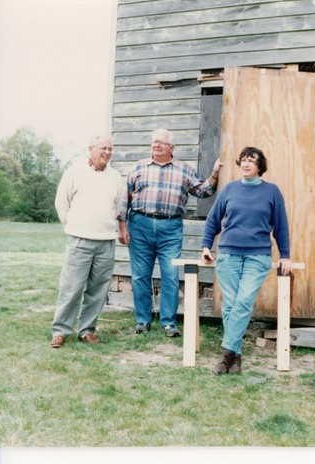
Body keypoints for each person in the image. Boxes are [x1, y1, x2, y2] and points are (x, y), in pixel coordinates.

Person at [118, 129, 221, 337]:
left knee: (171, 275)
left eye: (161, 143)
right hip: (140, 225)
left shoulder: (184, 170)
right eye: (154, 142)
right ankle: (142, 321)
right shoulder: (138, 167)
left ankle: (168, 322)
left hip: (170, 228)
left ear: (171, 148)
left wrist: (215, 174)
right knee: (140, 275)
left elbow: (203, 191)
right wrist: (122, 226)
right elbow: (124, 199)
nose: (156, 145)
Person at [201, 146, 291, 375]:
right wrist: (205, 246)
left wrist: (285, 256)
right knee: (230, 305)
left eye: (252, 160)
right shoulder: (230, 189)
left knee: (243, 302)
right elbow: (213, 220)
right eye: (243, 160)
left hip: (257, 256)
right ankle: (236, 357)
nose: (246, 164)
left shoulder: (272, 191)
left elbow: (281, 226)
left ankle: (226, 353)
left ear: (260, 166)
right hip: (229, 254)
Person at [50, 135, 124, 348]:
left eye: (110, 149)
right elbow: (61, 202)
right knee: (71, 288)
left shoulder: (115, 176)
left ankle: (87, 330)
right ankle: (61, 331)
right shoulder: (74, 172)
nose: (107, 152)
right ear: (90, 149)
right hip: (79, 240)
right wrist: (73, 226)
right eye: (103, 148)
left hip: (106, 242)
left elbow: (117, 206)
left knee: (98, 290)